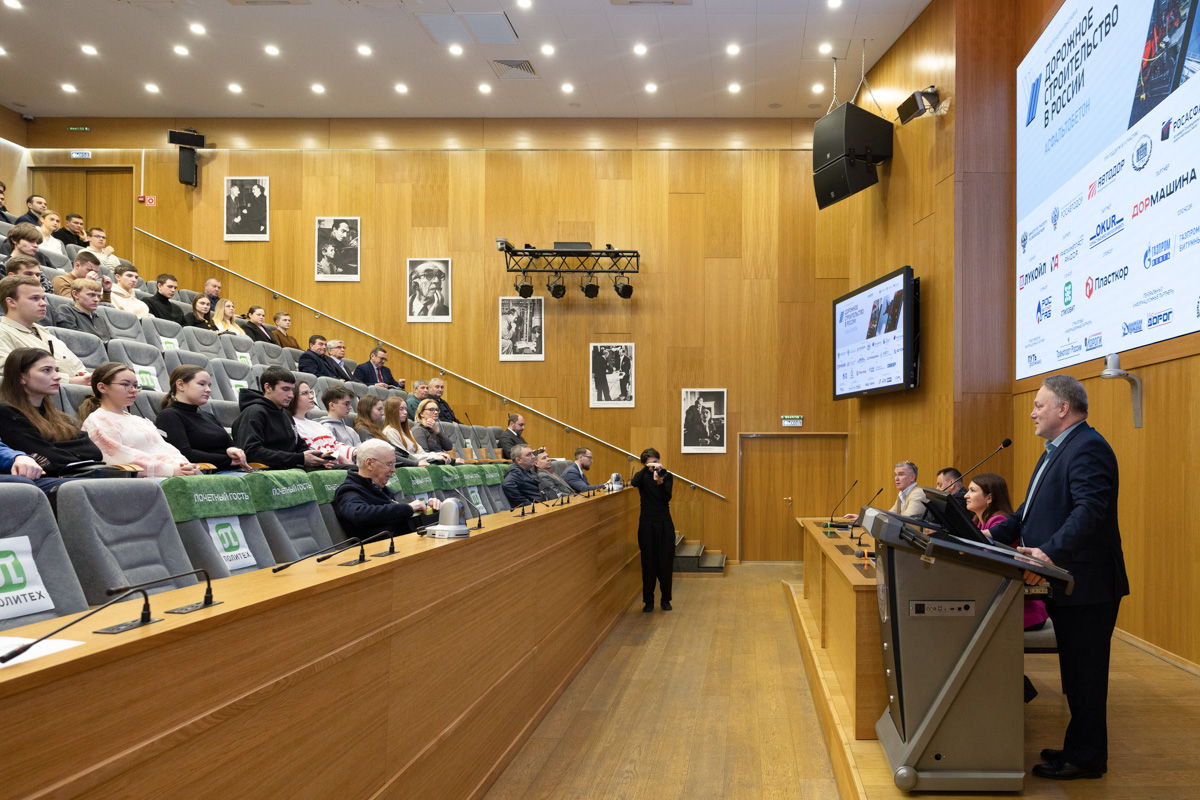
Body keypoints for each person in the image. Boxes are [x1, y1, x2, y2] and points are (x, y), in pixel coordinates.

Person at [988, 375, 1128, 781]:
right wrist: (983, 537)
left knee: (1085, 675)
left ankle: (1086, 758)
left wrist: (1050, 553)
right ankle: (1078, 746)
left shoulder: (1089, 448)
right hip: (1065, 580)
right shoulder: (1055, 451)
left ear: (1063, 408)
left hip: (1086, 583)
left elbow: (1088, 512)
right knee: (1076, 672)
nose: (1031, 412)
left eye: (1038, 405)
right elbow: (1024, 517)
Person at [77, 362, 199, 478]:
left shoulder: (141, 420)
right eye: (125, 384)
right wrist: (170, 470)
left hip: (170, 474)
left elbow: (166, 447)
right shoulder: (98, 420)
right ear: (102, 388)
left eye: (135, 385)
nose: (133, 390)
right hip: (143, 481)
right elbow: (120, 457)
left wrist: (183, 465)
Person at [0, 348, 104, 475]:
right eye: (46, 370)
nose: (57, 376)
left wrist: (56, 451)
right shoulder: (8, 414)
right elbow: (45, 456)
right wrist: (71, 454)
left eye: (56, 370)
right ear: (22, 377)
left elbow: (94, 452)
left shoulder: (58, 416)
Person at [967, 471, 1050, 629]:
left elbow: (987, 565)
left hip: (1024, 611)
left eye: (972, 490)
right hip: (1003, 603)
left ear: (989, 498)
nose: (966, 495)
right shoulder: (978, 522)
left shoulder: (999, 521)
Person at [333, 439, 439, 542]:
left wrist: (429, 508)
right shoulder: (348, 490)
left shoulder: (381, 489)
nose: (393, 469)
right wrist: (408, 508)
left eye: (394, 464)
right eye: (389, 464)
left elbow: (392, 513)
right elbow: (359, 514)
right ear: (369, 463)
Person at [231, 366, 330, 471]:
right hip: (269, 472)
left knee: (345, 471)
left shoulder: (285, 414)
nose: (291, 395)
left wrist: (319, 457)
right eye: (285, 389)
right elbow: (251, 453)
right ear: (268, 387)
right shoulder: (253, 413)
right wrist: (299, 458)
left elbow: (299, 446)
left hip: (291, 468)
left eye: (292, 390)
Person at [156, 365, 249, 471]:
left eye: (209, 385)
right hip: (205, 475)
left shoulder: (208, 416)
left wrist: (232, 450)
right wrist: (227, 460)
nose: (208, 390)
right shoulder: (169, 416)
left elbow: (230, 444)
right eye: (201, 384)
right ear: (181, 385)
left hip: (231, 471)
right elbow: (185, 453)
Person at [0, 275, 90, 384]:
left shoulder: (46, 333)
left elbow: (78, 367)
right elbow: (9, 371)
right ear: (11, 302)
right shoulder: (2, 331)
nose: (44, 303)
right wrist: (71, 381)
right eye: (34, 298)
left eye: (43, 298)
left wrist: (86, 378)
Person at [631, 447, 675, 612]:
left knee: (665, 563)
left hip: (664, 523)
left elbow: (666, 497)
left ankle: (666, 600)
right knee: (648, 563)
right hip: (647, 524)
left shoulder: (667, 475)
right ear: (645, 463)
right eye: (651, 462)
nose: (655, 465)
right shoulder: (642, 477)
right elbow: (634, 483)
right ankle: (648, 601)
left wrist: (660, 480)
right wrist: (646, 468)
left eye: (656, 461)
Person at [289, 380, 354, 465]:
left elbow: (335, 445)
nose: (311, 396)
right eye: (305, 393)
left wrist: (354, 452)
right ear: (292, 397)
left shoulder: (317, 425)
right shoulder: (292, 424)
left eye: (311, 392)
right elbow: (309, 449)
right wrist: (338, 456)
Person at [843, 461, 926, 522]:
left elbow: (908, 521)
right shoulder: (902, 494)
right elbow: (888, 515)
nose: (896, 478)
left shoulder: (917, 494)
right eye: (895, 475)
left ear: (912, 477)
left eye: (901, 474)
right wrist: (862, 518)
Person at [382, 396, 441, 466]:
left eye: (406, 409)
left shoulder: (407, 432)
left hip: (416, 463)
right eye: (401, 409)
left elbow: (421, 452)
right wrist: (435, 456)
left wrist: (438, 454)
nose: (405, 412)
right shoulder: (390, 431)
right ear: (392, 411)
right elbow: (405, 456)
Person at [54, 278, 113, 343]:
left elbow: (114, 341)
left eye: (99, 296)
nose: (96, 300)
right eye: (91, 295)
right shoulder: (66, 310)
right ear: (75, 294)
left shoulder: (99, 318)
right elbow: (74, 338)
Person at [412, 398, 463, 464]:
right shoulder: (418, 430)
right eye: (431, 409)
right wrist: (452, 461)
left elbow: (449, 447)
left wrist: (438, 431)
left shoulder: (434, 428)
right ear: (421, 413)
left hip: (441, 462)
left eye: (437, 410)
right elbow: (424, 455)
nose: (436, 412)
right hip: (432, 465)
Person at [317, 385, 361, 451]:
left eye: (350, 404)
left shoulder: (350, 430)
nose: (350, 407)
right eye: (346, 404)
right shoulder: (326, 428)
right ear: (332, 406)